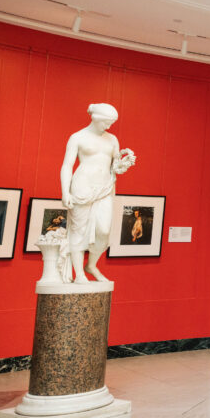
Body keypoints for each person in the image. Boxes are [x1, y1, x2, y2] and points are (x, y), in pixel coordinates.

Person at [60, 102, 135, 283]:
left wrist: (124, 163)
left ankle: (91, 265)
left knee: (104, 230)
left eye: (111, 123)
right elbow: (67, 166)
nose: (108, 126)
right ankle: (79, 274)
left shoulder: (112, 139)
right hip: (82, 187)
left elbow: (114, 165)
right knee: (78, 231)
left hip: (105, 188)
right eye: (106, 122)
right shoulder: (78, 137)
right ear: (95, 118)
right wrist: (65, 192)